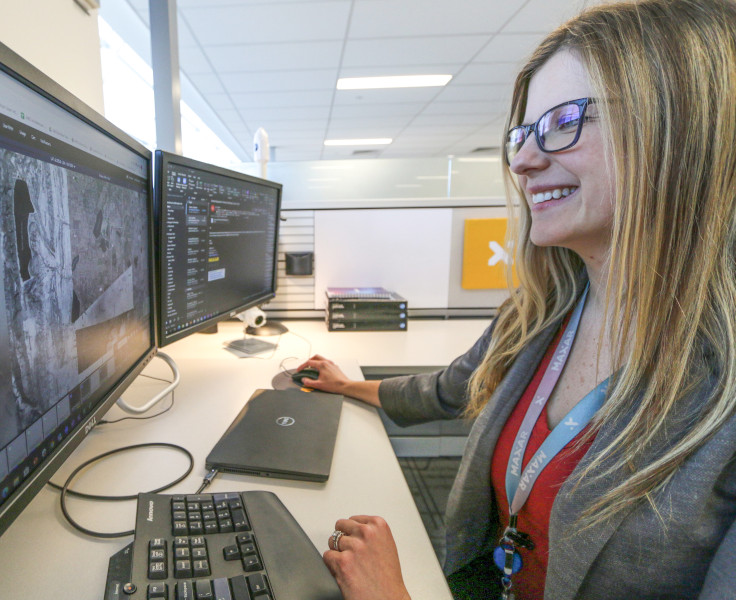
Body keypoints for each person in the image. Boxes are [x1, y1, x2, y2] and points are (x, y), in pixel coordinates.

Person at [297, 0, 736, 598]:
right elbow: (450, 390)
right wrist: (348, 386)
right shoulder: (543, 311)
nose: (524, 162)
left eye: (565, 121)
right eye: (524, 133)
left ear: (682, 130)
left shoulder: (722, 396)